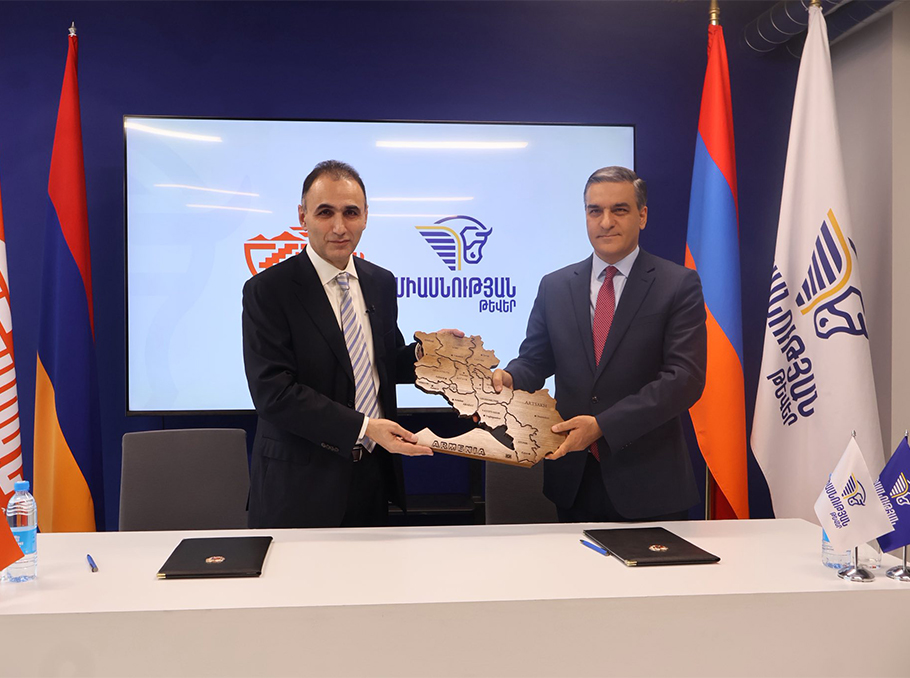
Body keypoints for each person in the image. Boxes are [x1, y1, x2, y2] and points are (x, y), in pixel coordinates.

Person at [242, 160, 461, 528]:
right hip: (299, 488)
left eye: (351, 212)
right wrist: (364, 427)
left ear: (365, 216)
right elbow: (273, 393)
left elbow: (381, 363)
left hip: (371, 478)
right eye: (325, 212)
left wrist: (428, 354)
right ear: (303, 216)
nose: (339, 227)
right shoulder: (268, 290)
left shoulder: (380, 282)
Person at [493, 166, 706, 522]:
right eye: (595, 211)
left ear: (642, 215)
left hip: (649, 483)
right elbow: (535, 360)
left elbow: (684, 380)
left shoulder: (678, 284)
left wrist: (603, 425)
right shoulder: (555, 286)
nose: (606, 222)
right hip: (572, 481)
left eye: (619, 210)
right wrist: (509, 378)